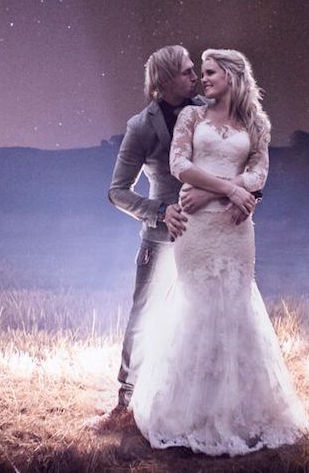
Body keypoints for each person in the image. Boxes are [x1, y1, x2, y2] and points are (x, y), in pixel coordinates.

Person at [130, 48, 308, 455]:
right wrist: (229, 189)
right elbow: (179, 165)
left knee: (236, 308)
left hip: (236, 229)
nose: (203, 79)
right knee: (199, 308)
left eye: (210, 72)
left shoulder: (256, 123)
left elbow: (260, 172)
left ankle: (239, 411)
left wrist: (232, 191)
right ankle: (188, 414)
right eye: (201, 73)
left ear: (231, 75)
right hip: (198, 232)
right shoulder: (192, 117)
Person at [103, 45, 205, 422]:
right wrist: (161, 211)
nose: (195, 76)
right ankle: (127, 396)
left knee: (204, 313)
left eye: (195, 69)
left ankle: (197, 395)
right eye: (186, 71)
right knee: (145, 313)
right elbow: (116, 191)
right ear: (163, 81)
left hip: (207, 234)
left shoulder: (206, 113)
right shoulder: (141, 126)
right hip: (160, 238)